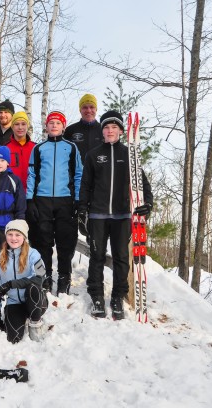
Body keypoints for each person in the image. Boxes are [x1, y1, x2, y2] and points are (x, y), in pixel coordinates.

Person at [78, 111, 153, 320]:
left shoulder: (130, 155)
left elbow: (143, 185)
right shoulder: (93, 155)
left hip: (122, 216)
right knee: (97, 257)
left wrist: (147, 204)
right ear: (102, 131)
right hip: (98, 215)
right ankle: (97, 297)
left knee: (121, 258)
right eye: (106, 127)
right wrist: (82, 210)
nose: (110, 130)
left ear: (121, 131)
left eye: (114, 127)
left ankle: (118, 297)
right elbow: (85, 185)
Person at [26, 111, 83, 295]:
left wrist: (77, 200)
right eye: (51, 122)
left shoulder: (71, 147)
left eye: (58, 123)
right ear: (46, 126)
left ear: (63, 126)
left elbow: (78, 174)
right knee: (42, 241)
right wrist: (29, 200)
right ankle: (45, 276)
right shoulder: (39, 148)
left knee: (65, 242)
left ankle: (64, 277)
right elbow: (32, 174)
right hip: (42, 200)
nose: (54, 125)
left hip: (65, 200)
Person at [0, 220, 48, 343]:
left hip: (34, 300)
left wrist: (11, 284)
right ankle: (17, 317)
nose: (13, 238)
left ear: (24, 237)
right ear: (6, 236)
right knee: (14, 338)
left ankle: (35, 322)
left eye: (17, 234)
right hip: (14, 302)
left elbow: (39, 278)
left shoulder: (33, 254)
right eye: (10, 234)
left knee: (32, 288)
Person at [64, 93, 102, 162]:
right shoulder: (70, 130)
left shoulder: (104, 130)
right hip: (77, 172)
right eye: (85, 107)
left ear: (96, 109)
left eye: (91, 107)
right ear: (80, 110)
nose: (88, 110)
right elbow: (63, 154)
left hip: (99, 172)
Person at [5, 111, 35, 194]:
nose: (20, 127)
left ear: (27, 126)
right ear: (12, 127)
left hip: (31, 195)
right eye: (17, 124)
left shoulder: (35, 148)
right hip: (10, 194)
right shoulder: (5, 148)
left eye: (23, 124)